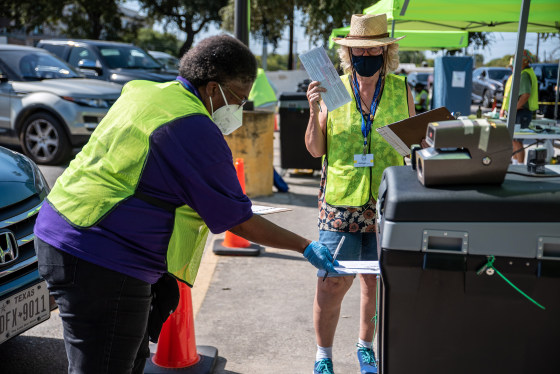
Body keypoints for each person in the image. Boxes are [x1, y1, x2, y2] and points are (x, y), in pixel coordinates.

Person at [34, 35, 336, 374]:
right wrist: (304, 245)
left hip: (62, 229)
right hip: (102, 257)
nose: (239, 110)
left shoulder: (145, 92)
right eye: (238, 99)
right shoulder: (194, 127)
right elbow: (238, 220)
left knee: (121, 359)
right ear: (211, 88)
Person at [305, 13, 415, 374]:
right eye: (358, 50)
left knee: (376, 279)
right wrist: (312, 111)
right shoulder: (333, 89)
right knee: (332, 281)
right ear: (348, 54)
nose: (365, 55)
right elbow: (316, 150)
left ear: (385, 52)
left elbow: (412, 146)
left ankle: (365, 346)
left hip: (387, 200)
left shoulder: (402, 90)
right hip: (341, 202)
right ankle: (323, 356)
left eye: (373, 49)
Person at [499, 49, 539, 164]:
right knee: (514, 140)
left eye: (518, 58)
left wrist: (514, 109)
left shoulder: (525, 74)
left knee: (517, 141)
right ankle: (516, 164)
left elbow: (525, 95)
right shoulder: (523, 73)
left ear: (525, 61)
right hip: (520, 112)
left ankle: (520, 165)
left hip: (521, 112)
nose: (515, 61)